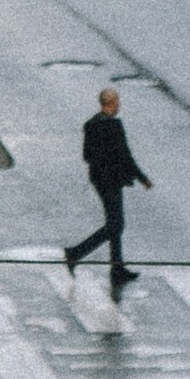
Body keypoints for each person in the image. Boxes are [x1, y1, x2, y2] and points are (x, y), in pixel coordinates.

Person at [64, 86, 151, 294]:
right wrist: (142, 178)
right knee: (115, 225)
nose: (119, 105)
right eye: (117, 102)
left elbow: (86, 156)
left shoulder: (91, 124)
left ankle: (117, 267)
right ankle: (75, 253)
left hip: (99, 180)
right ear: (111, 103)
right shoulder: (114, 126)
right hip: (112, 180)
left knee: (114, 223)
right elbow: (125, 155)